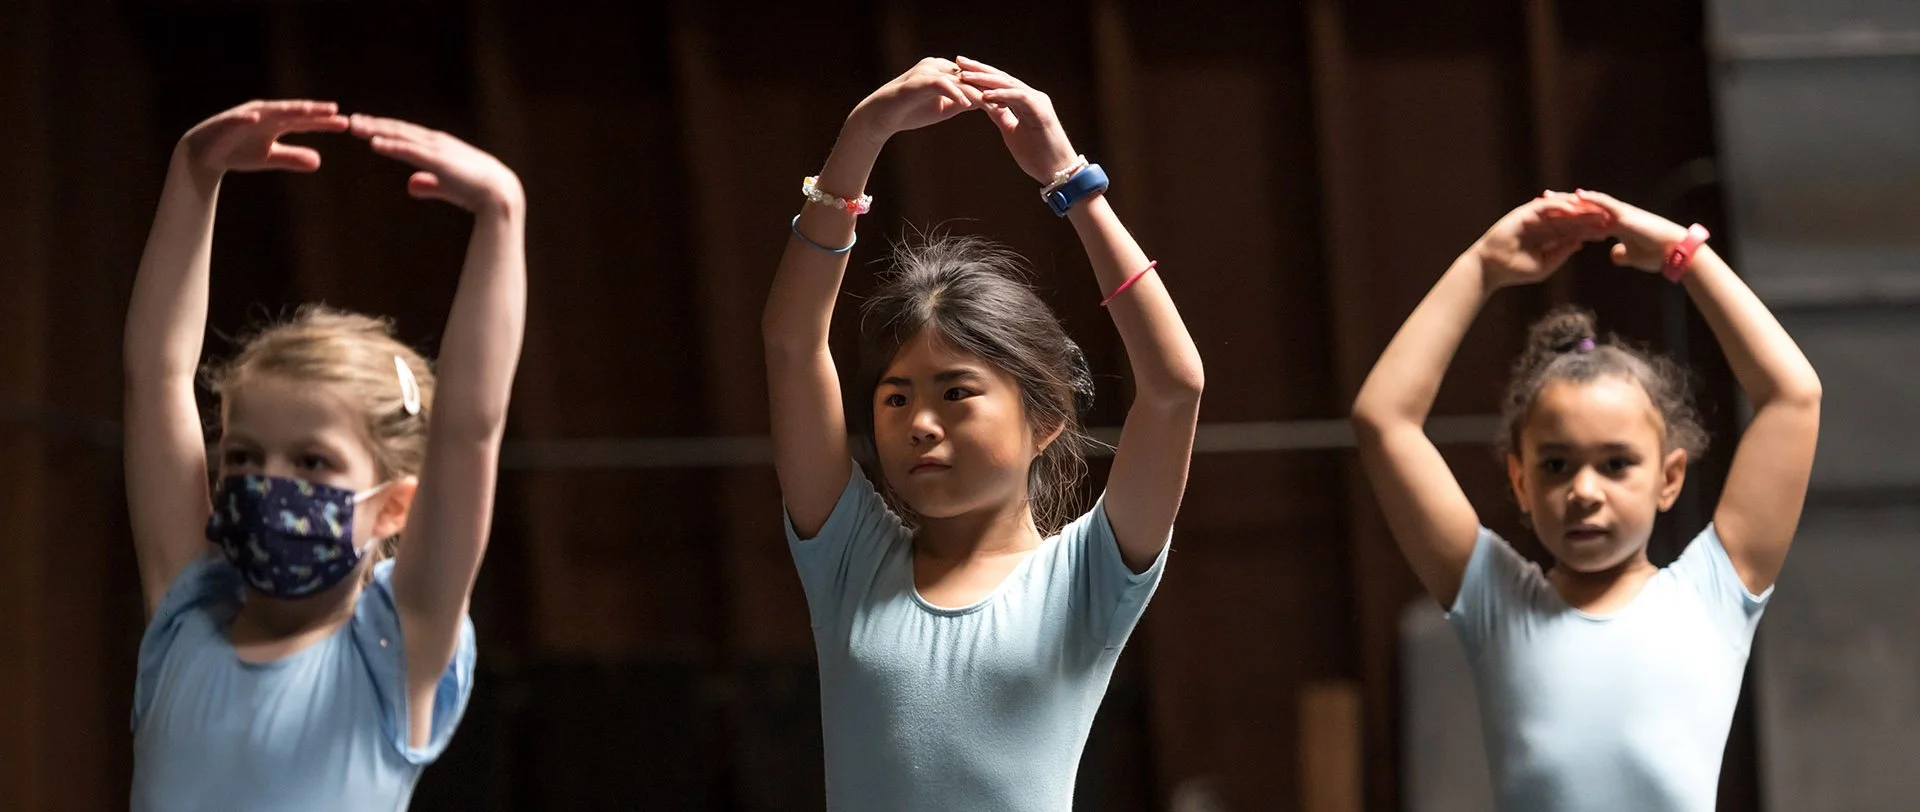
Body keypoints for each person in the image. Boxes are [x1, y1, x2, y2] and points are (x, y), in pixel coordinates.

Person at [761, 57, 1205, 810]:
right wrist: (861, 136)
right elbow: (791, 345)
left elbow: (1174, 386)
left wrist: (1069, 179)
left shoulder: (1089, 578)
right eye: (896, 399)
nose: (920, 425)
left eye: (957, 392)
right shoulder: (847, 560)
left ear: (1045, 420)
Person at [1351, 189, 1822, 811]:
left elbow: (1793, 396)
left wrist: (1686, 255)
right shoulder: (1494, 600)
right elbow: (1383, 420)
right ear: (1520, 482)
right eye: (1555, 465)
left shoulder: (1714, 591)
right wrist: (1481, 268)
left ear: (1669, 478)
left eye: (1617, 464)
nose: (1583, 492)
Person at [123, 100, 526, 811]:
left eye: (312, 463)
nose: (266, 479)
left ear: (396, 503)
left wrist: (501, 219)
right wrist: (194, 175)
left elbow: (468, 427)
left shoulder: (395, 653)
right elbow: (157, 374)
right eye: (244, 455)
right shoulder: (187, 612)